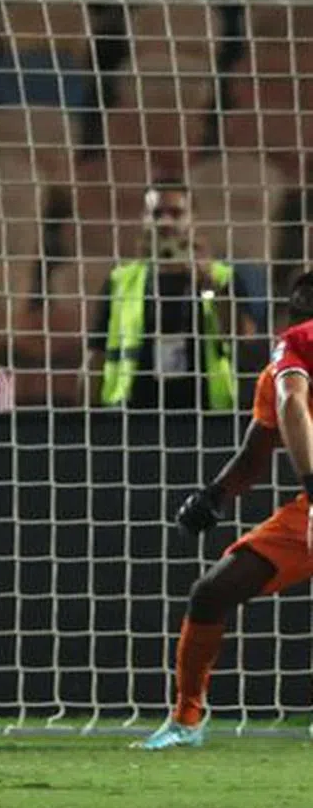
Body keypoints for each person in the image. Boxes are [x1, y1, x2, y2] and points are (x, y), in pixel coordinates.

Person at [137, 270, 313, 749]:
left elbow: (294, 403)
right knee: (212, 593)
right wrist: (214, 496)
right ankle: (186, 720)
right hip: (307, 509)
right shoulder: (282, 365)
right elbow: (257, 452)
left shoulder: (295, 344)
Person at [87, 181, 259, 412]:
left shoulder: (222, 277)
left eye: (176, 213)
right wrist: (86, 417)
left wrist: (210, 286)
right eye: (157, 214)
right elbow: (95, 355)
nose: (166, 222)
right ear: (144, 219)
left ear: (193, 218)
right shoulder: (121, 281)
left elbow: (243, 339)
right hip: (132, 412)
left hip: (204, 412)